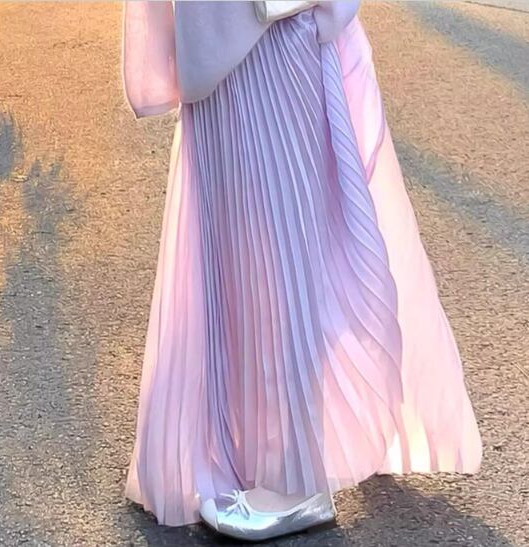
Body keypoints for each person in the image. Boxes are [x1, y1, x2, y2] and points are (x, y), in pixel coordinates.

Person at [121, 1, 483, 542]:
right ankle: (276, 455)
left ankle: (297, 475)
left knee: (277, 251)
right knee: (247, 249)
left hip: (268, 34)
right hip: (233, 34)